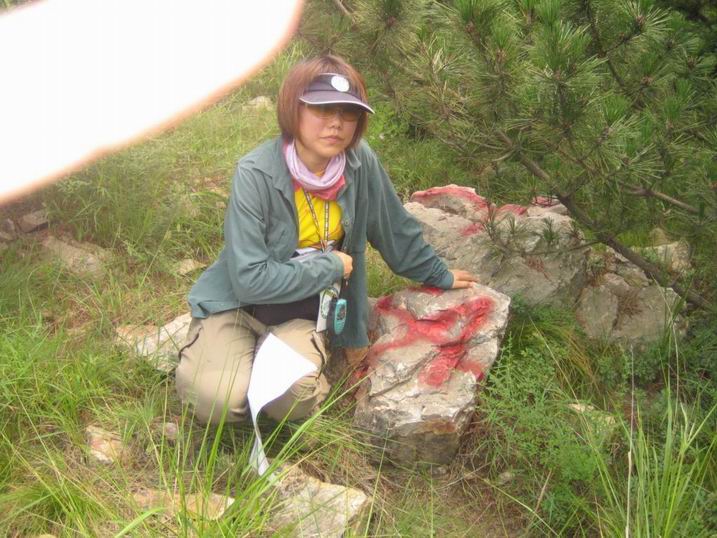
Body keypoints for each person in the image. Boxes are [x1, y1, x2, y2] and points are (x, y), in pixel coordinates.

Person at [175, 55, 478, 425]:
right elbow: (249, 280)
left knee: (289, 399)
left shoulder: (359, 163)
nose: (336, 122)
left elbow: (393, 227)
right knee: (215, 402)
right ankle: (222, 356)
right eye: (321, 109)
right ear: (294, 109)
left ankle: (276, 377)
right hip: (238, 306)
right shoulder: (255, 172)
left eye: (348, 112)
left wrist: (437, 274)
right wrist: (330, 266)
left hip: (300, 312)